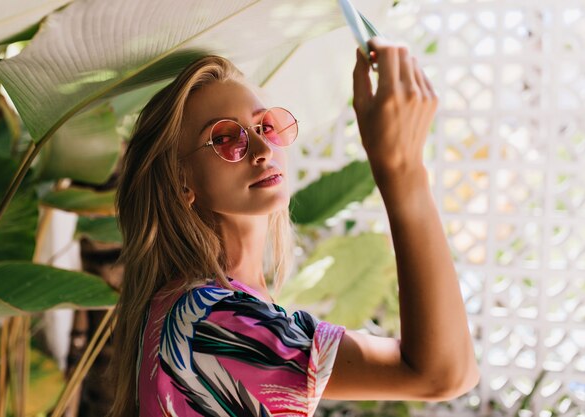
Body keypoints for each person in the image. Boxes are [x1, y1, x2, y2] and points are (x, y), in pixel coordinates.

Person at [106, 37, 480, 417]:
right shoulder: (211, 322)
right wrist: (403, 171)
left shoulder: (206, 307)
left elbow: (446, 372)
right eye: (224, 138)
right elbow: (442, 374)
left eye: (264, 126)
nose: (261, 148)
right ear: (181, 181)